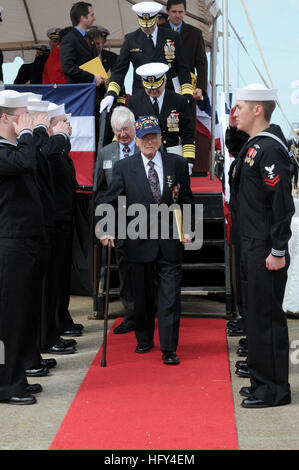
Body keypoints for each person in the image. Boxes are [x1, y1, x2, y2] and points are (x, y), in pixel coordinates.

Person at [97, 115, 195, 365]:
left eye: (153, 136)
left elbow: (187, 200)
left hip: (169, 241)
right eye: (144, 137)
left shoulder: (177, 164)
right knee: (141, 297)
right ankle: (144, 337)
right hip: (136, 242)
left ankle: (169, 348)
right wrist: (106, 228)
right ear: (137, 141)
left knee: (170, 295)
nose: (149, 141)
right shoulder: (123, 167)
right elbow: (110, 201)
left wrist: (190, 229)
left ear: (161, 138)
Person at [229, 83, 295, 408]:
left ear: (258, 110)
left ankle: (274, 391)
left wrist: (278, 250)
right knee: (254, 317)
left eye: (239, 106)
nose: (234, 111)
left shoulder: (270, 150)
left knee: (267, 319)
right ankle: (260, 381)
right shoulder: (254, 145)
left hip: (266, 248)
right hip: (250, 244)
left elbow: (282, 204)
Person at [0, 90, 45, 405]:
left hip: (24, 241)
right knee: (9, 318)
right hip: (9, 243)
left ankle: (18, 375)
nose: (24, 122)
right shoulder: (7, 152)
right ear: (4, 118)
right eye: (20, 117)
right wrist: (29, 132)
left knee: (23, 315)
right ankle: (6, 384)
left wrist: (26, 134)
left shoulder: (14, 149)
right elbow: (25, 162)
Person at [100, 1, 193, 114]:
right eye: (143, 25)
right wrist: (111, 94)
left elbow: (183, 68)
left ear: (157, 19)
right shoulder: (131, 39)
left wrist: (187, 94)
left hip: (168, 93)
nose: (147, 28)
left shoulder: (172, 36)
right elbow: (119, 71)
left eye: (150, 24)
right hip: (141, 95)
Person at [94, 107, 137, 334]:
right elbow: (99, 192)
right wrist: (103, 227)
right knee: (125, 271)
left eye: (126, 129)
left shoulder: (145, 148)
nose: (122, 134)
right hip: (119, 223)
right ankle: (131, 315)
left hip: (146, 220)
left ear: (134, 127)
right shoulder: (106, 153)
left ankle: (149, 312)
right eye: (118, 130)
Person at [128, 62, 195, 174]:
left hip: (172, 154)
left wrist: (188, 161)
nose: (153, 91)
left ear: (164, 80)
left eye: (157, 87)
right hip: (145, 156)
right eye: (149, 88)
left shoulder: (179, 101)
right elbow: (131, 131)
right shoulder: (134, 101)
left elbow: (187, 132)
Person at [163, 0, 208, 100]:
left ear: (185, 12)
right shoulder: (158, 31)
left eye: (180, 12)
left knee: (186, 115)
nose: (177, 15)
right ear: (167, 11)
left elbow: (201, 63)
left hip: (187, 87)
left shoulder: (195, 34)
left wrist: (200, 87)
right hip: (162, 88)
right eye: (174, 12)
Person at [60, 2, 104, 86]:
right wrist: (93, 77)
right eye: (92, 15)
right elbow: (68, 67)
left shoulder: (88, 38)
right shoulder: (69, 39)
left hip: (93, 90)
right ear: (83, 18)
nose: (94, 18)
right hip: (80, 91)